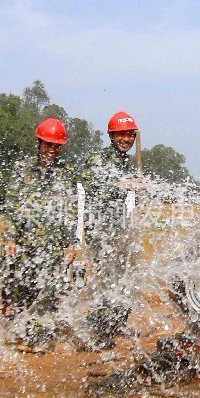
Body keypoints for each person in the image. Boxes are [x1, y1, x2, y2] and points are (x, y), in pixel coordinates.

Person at [1, 118, 77, 348]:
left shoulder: (66, 173)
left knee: (48, 292)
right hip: (26, 242)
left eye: (56, 146)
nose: (52, 150)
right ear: (39, 143)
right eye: (48, 145)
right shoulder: (22, 169)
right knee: (23, 290)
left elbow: (69, 208)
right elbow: (12, 204)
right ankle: (25, 331)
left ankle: (40, 338)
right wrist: (10, 237)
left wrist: (70, 242)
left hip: (53, 245)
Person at [80, 111, 144, 348]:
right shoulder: (99, 159)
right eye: (121, 135)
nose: (126, 139)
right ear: (111, 136)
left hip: (118, 231)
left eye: (129, 135)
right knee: (109, 281)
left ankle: (114, 324)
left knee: (126, 279)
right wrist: (122, 184)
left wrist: (138, 190)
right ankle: (94, 332)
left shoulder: (126, 163)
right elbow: (92, 183)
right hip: (100, 232)